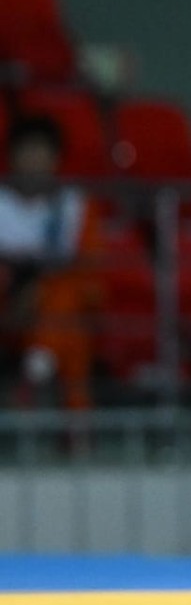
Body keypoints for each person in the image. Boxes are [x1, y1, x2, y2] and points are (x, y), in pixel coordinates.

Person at [0, 116, 99, 411]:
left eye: (41, 152)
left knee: (67, 309)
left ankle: (37, 383)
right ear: (12, 157)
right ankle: (36, 373)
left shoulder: (74, 206)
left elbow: (88, 268)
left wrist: (39, 289)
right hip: (6, 299)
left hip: (51, 306)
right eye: (26, 152)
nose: (33, 161)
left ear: (56, 159)